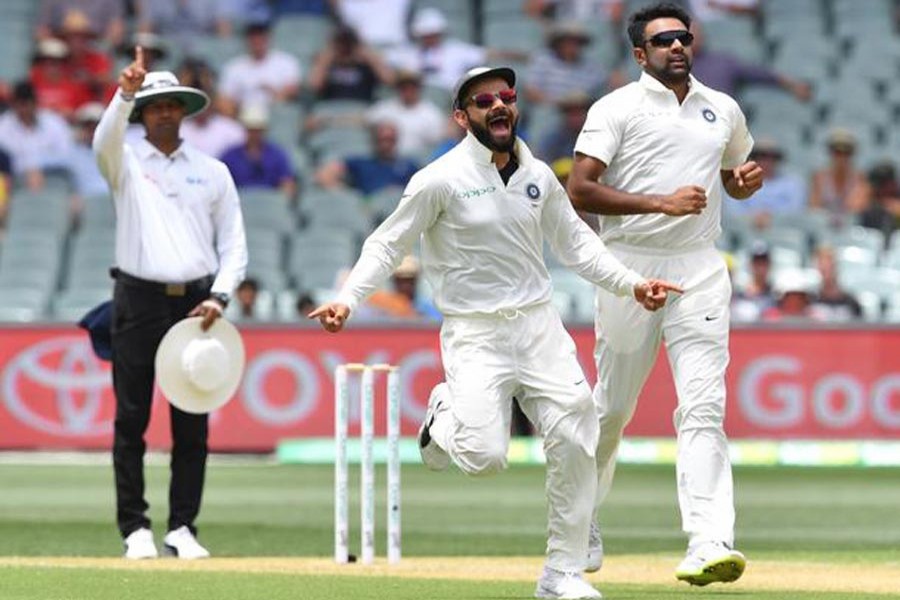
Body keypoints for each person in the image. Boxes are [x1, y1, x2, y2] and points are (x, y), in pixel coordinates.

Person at [309, 65, 680, 600]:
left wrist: (632, 284)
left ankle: (561, 573)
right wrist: (348, 300)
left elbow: (577, 245)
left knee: (578, 434)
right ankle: (442, 416)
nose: (498, 106)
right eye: (483, 101)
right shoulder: (439, 178)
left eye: (506, 96)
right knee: (485, 458)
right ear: (463, 117)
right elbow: (388, 244)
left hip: (538, 326)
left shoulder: (538, 176)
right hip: (475, 332)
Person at [566, 2, 763, 586]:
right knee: (612, 409)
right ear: (639, 54)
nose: (676, 47)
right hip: (630, 268)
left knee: (703, 408)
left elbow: (733, 175)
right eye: (662, 41)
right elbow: (579, 189)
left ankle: (709, 542)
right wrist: (659, 203)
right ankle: (579, 523)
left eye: (682, 37)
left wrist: (742, 184)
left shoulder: (721, 108)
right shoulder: (616, 108)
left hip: (700, 267)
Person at [93, 48, 248, 560]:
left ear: (183, 111)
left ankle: (182, 527)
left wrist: (221, 295)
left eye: (172, 104)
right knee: (131, 417)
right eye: (154, 105)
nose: (164, 112)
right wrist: (124, 93)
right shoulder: (125, 163)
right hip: (138, 297)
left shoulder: (212, 171)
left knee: (192, 419)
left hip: (197, 304)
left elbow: (234, 243)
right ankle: (135, 528)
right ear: (143, 113)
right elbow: (103, 141)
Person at [690, 21, 811, 101]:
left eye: (697, 32)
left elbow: (760, 74)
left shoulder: (723, 62)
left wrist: (793, 85)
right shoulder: (672, 67)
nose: (694, 36)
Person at [314, 121, 419, 196]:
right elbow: (324, 175)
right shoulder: (361, 163)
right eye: (382, 139)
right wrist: (348, 195)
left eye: (390, 140)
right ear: (374, 141)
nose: (386, 144)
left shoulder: (409, 165)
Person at [723, 138, 806, 230]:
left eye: (772, 157)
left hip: (781, 230)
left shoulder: (793, 183)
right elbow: (732, 211)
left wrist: (771, 217)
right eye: (760, 156)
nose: (766, 161)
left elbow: (796, 210)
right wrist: (753, 218)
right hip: (746, 231)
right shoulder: (737, 182)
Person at [219, 103, 297, 199]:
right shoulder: (230, 156)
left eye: (258, 130)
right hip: (240, 205)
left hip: (269, 204)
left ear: (264, 130)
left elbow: (287, 184)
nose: (255, 134)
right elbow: (222, 186)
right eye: (251, 130)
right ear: (245, 130)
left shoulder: (277, 155)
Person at [367, 69, 446, 158]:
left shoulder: (431, 113)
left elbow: (436, 142)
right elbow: (363, 121)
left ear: (419, 88)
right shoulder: (384, 108)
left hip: (418, 162)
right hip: (387, 160)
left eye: (412, 87)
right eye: (404, 87)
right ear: (398, 88)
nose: (408, 90)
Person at [307, 25, 395, 103]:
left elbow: (389, 80)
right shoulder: (327, 65)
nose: (344, 47)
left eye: (348, 42)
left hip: (361, 110)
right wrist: (325, 59)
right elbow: (315, 86)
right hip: (332, 110)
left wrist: (369, 56)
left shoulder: (366, 65)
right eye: (340, 42)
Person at [808, 128, 871, 223]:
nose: (842, 157)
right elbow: (814, 208)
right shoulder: (819, 178)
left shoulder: (860, 179)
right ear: (830, 153)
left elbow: (857, 208)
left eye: (847, 153)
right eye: (837, 152)